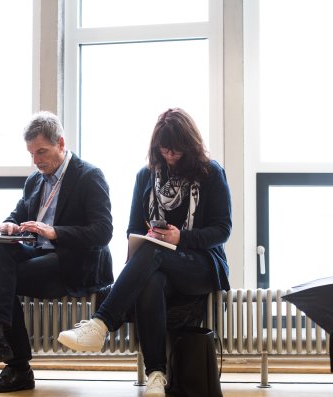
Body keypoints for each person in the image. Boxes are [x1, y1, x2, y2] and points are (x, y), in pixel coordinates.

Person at [58, 108, 232, 397]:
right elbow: (132, 229)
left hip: (202, 265)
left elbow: (222, 230)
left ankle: (100, 324)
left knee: (155, 251)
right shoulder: (146, 176)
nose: (170, 157)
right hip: (157, 265)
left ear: (190, 146)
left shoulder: (211, 172)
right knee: (150, 279)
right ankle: (155, 374)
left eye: (176, 151)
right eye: (164, 150)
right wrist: (144, 244)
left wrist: (180, 237)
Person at [0, 111, 114, 392]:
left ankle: (17, 366)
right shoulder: (35, 180)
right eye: (32, 154)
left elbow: (103, 232)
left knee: (1, 281)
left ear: (61, 142)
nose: (37, 160)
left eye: (42, 151)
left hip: (76, 262)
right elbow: (18, 214)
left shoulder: (89, 176)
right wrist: (9, 225)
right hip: (42, 257)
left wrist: (55, 232)